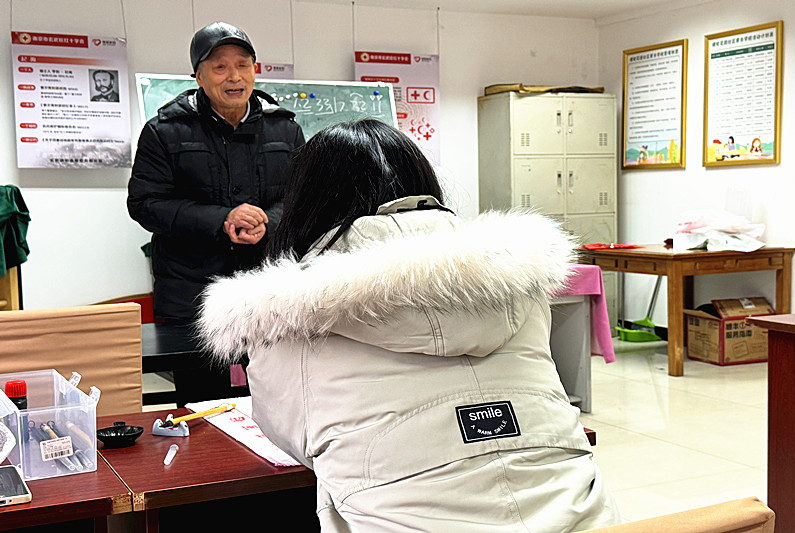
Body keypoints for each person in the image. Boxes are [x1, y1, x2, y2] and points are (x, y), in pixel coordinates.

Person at [197, 119, 621, 532]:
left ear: (306, 200)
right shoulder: (516, 280)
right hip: (584, 517)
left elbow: (293, 438)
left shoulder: (286, 312)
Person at [127, 21, 305, 323]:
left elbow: (302, 197)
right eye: (220, 67)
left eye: (242, 65)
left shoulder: (285, 129)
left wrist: (268, 222)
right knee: (199, 371)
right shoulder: (165, 131)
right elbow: (145, 204)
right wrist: (222, 219)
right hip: (190, 292)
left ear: (254, 69)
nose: (234, 77)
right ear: (199, 75)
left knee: (267, 371)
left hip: (266, 286)